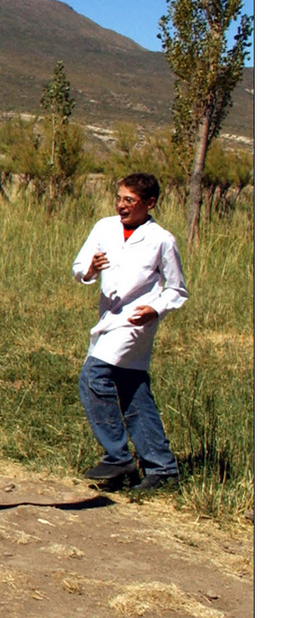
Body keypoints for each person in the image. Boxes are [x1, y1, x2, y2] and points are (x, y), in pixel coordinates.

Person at [70, 172, 187, 492]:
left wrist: (156, 309)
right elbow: (80, 267)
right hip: (108, 318)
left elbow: (176, 289)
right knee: (132, 388)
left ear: (149, 203)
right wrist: (90, 270)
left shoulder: (162, 239)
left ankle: (118, 456)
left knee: (93, 376)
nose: (121, 205)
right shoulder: (104, 227)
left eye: (129, 200)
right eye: (119, 198)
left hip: (136, 321)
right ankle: (162, 468)